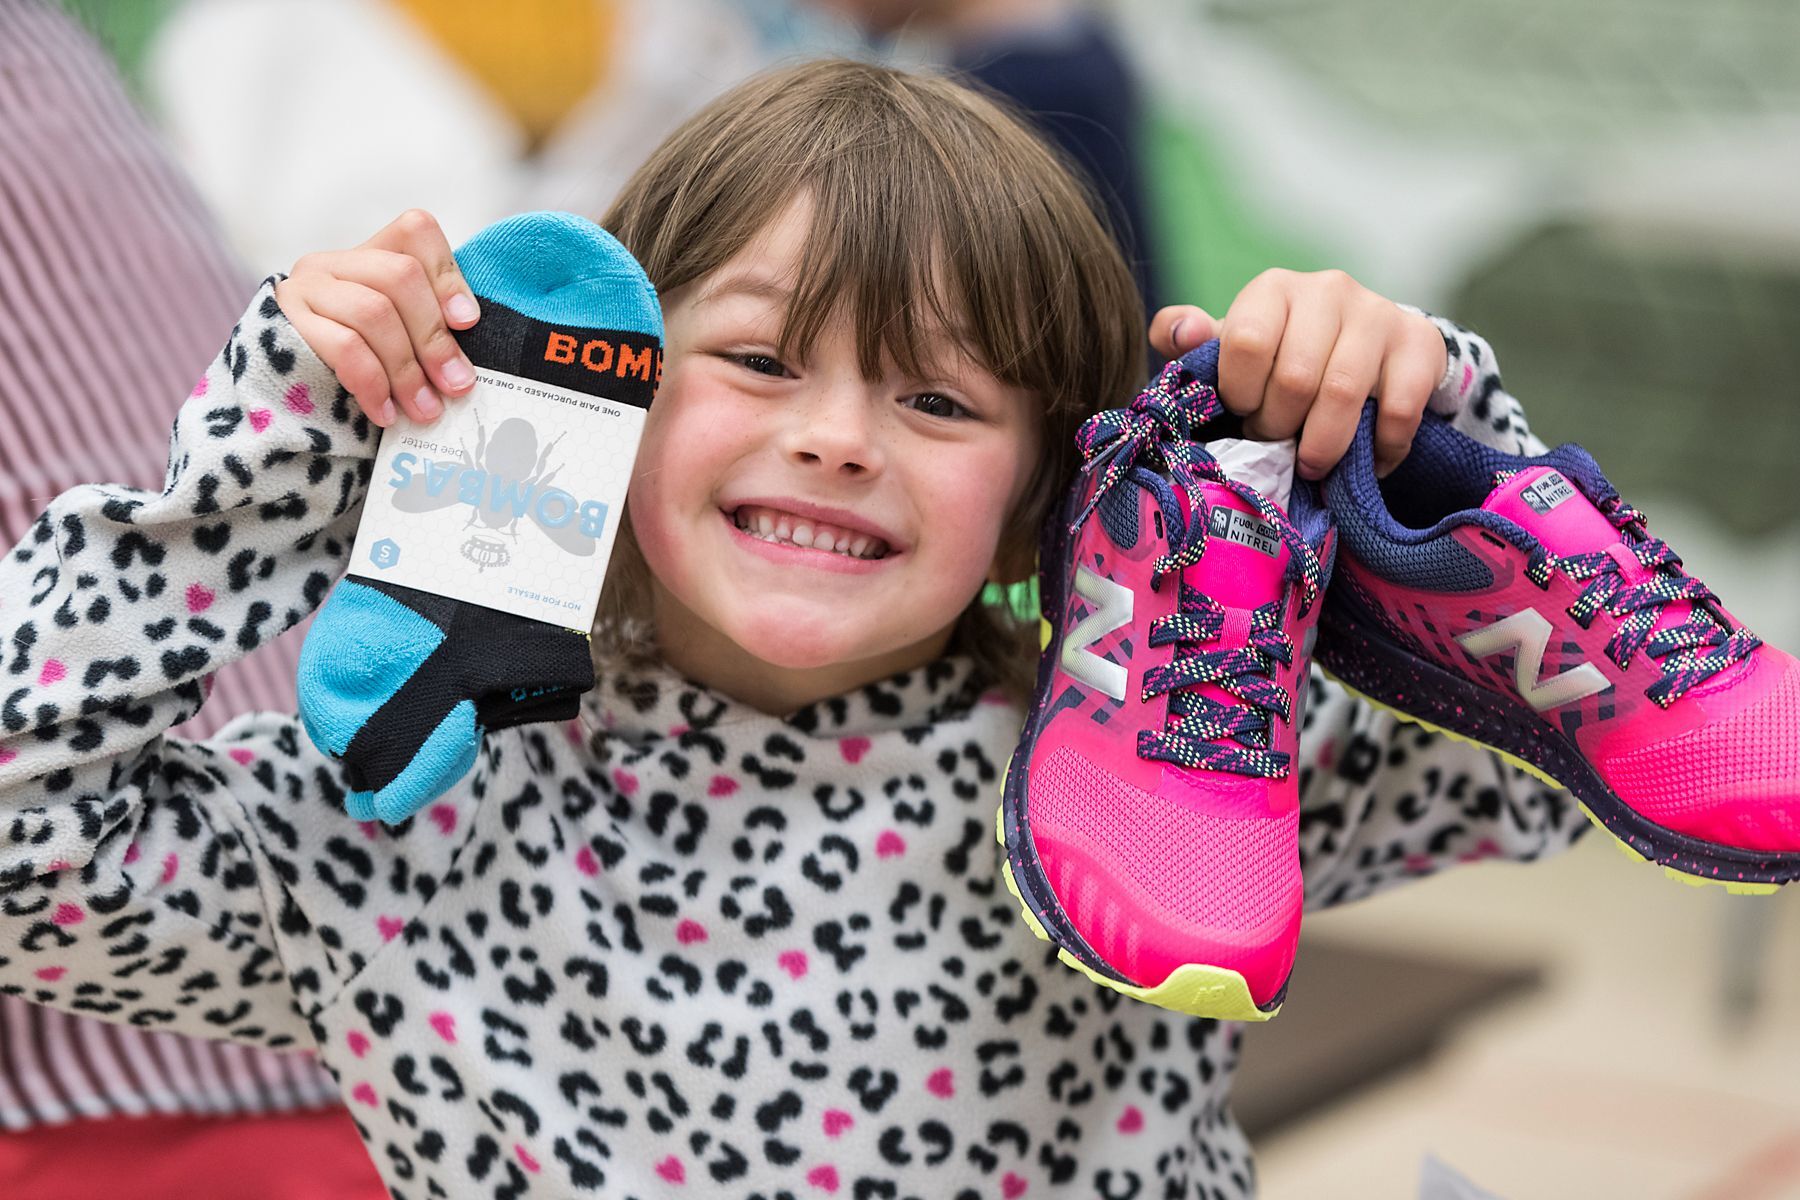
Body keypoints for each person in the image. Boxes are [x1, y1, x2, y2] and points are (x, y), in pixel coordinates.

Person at [0, 59, 1580, 1197]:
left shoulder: (1165, 757)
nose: (836, 439)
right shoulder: (417, 805)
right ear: (612, 396)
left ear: (1045, 487)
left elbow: (1570, 759)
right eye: (759, 362)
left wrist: (1426, 432)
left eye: (938, 399)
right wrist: (278, 459)